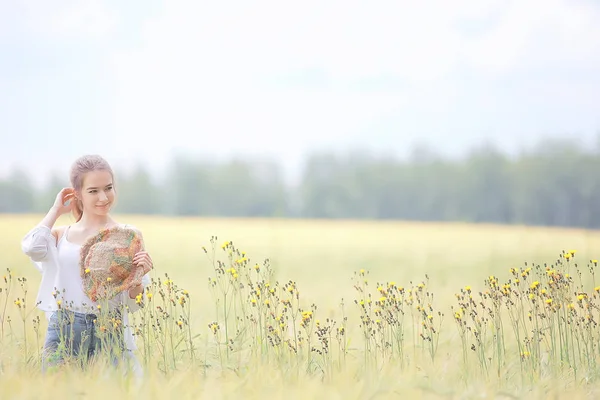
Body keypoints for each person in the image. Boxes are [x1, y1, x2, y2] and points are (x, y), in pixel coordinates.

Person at [20, 154, 153, 377]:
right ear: (77, 193)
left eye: (108, 188)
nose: (103, 197)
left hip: (109, 328)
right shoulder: (60, 235)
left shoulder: (128, 237)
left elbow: (134, 305)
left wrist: (137, 277)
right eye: (93, 191)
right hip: (65, 328)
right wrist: (56, 211)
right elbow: (32, 247)